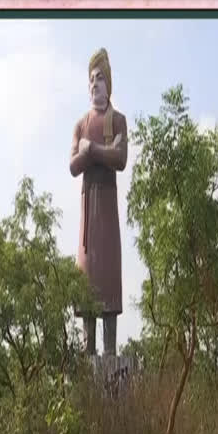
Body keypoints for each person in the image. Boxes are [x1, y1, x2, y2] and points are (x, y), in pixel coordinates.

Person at [69, 48, 128, 356]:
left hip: (108, 211)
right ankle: (87, 356)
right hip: (87, 218)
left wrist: (90, 149)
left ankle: (110, 358)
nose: (95, 84)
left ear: (109, 84)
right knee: (88, 293)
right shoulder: (81, 123)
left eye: (100, 78)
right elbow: (73, 166)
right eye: (91, 79)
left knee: (109, 291)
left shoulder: (117, 120)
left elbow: (120, 158)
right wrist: (95, 152)